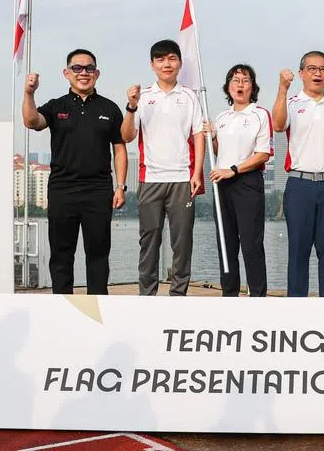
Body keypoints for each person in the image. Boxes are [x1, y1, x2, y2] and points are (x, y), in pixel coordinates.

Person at [22, 49, 126, 295]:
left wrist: (120, 186)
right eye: (77, 68)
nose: (83, 73)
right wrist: (29, 93)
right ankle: (62, 305)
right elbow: (31, 122)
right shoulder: (56, 106)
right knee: (61, 253)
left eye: (89, 68)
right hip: (62, 189)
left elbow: (119, 150)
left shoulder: (110, 108)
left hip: (98, 190)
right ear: (66, 73)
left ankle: (98, 305)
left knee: (98, 253)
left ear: (97, 74)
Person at [120, 39, 205, 296]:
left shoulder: (189, 96)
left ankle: (178, 295)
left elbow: (199, 134)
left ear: (179, 63)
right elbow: (126, 136)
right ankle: (147, 296)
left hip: (182, 179)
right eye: (160, 60)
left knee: (182, 243)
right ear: (152, 65)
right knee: (149, 241)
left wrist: (197, 172)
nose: (166, 64)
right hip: (151, 179)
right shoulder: (143, 97)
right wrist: (132, 106)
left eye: (172, 59)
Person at [272, 50, 324, 297]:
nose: (317, 73)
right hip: (300, 186)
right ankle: (297, 307)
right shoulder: (291, 103)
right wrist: (282, 88)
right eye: (312, 68)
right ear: (301, 73)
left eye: (323, 69)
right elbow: (278, 125)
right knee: (298, 251)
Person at [203, 64, 273, 297]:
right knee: (226, 244)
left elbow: (263, 153)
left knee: (251, 245)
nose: (240, 84)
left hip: (248, 182)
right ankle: (229, 294)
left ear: (252, 87)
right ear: (228, 86)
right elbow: (217, 152)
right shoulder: (222, 117)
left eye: (245, 80)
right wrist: (212, 136)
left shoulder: (259, 114)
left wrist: (234, 169)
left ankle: (257, 296)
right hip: (222, 184)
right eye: (235, 80)